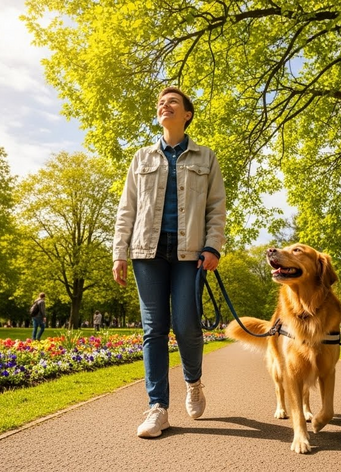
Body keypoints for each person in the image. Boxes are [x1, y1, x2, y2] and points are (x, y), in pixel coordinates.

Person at [112, 86, 226, 439]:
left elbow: (216, 208)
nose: (165, 105)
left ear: (187, 114)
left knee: (187, 325)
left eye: (173, 102)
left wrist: (213, 246)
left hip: (190, 254)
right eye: (161, 103)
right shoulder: (141, 157)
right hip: (147, 252)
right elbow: (127, 207)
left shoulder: (206, 158)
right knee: (154, 329)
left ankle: (193, 381)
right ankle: (157, 407)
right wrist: (119, 252)